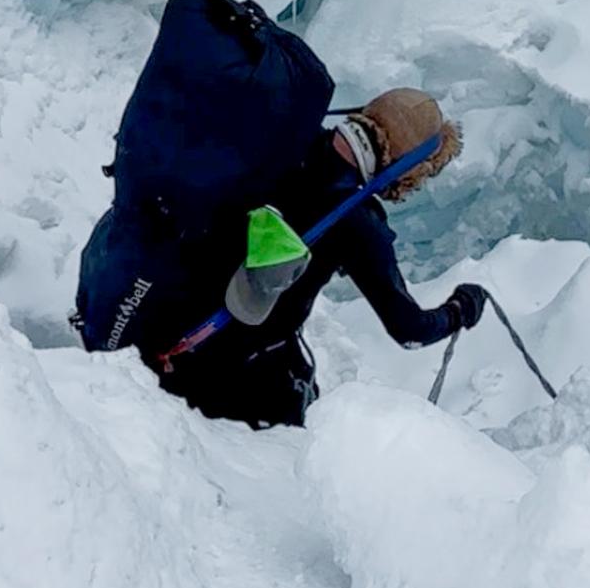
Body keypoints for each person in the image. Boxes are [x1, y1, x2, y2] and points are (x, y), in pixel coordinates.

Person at [138, 88, 486, 428]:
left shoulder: (289, 139)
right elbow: (410, 330)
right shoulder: (357, 223)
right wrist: (459, 310)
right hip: (227, 373)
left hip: (156, 317)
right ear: (404, 167)